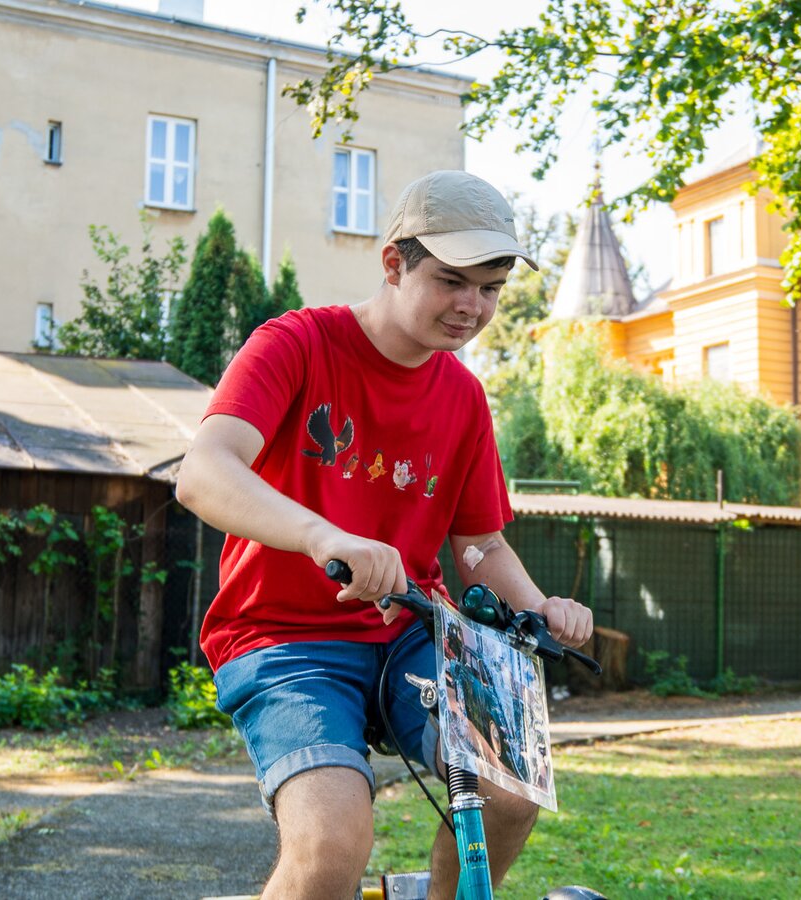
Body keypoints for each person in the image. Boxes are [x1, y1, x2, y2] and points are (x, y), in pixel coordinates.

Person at [174, 169, 594, 900]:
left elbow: (479, 547)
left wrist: (542, 604)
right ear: (394, 263)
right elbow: (203, 471)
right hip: (283, 637)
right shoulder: (296, 344)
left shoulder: (462, 395)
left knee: (513, 788)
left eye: (491, 288)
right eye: (453, 280)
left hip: (415, 630)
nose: (473, 307)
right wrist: (320, 536)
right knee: (332, 843)